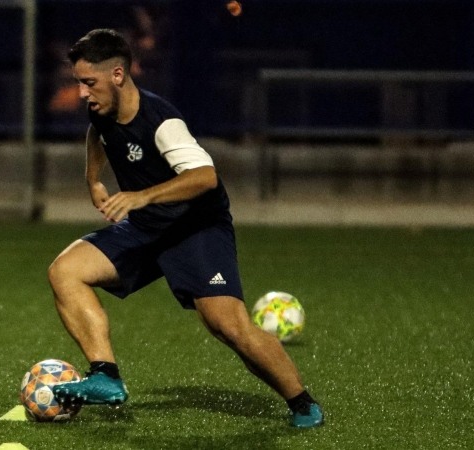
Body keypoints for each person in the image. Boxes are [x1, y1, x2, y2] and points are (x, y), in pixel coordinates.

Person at [48, 29, 323, 428]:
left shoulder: (162, 122)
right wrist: (94, 179)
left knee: (228, 327)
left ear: (118, 75)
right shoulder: (100, 111)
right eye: (79, 83)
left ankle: (302, 402)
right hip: (146, 228)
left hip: (195, 229)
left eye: (89, 83)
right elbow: (98, 135)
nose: (83, 93)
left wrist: (143, 196)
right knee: (65, 271)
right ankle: (105, 374)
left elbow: (205, 176)